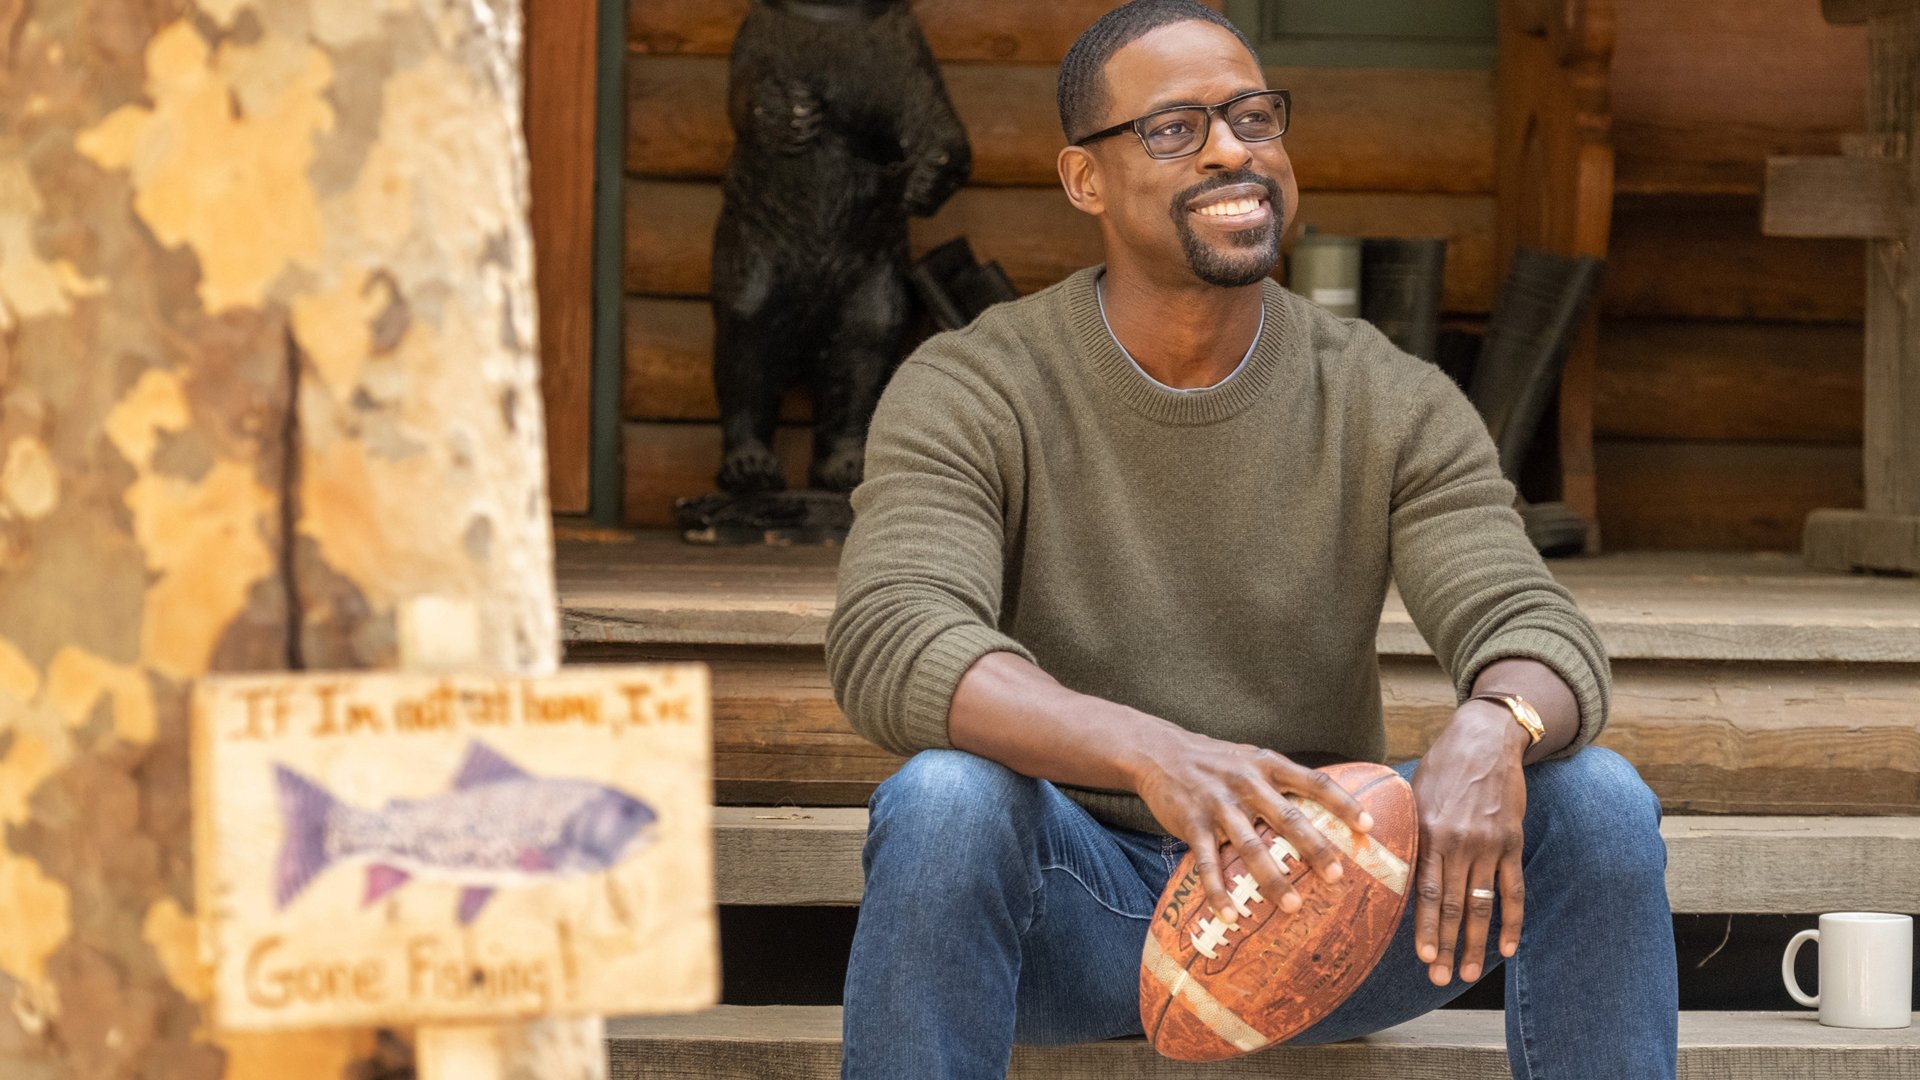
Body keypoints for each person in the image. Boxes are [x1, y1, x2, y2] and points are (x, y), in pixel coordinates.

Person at [822, 2, 1678, 1076]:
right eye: (1176, 129)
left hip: (1328, 918)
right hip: (1080, 912)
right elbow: (895, 637)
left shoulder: (1387, 397)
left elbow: (1529, 618)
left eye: (1252, 116)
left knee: (1592, 799)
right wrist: (1151, 752)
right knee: (946, 801)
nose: (1234, 149)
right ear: (1085, 179)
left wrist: (1497, 722)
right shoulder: (976, 384)